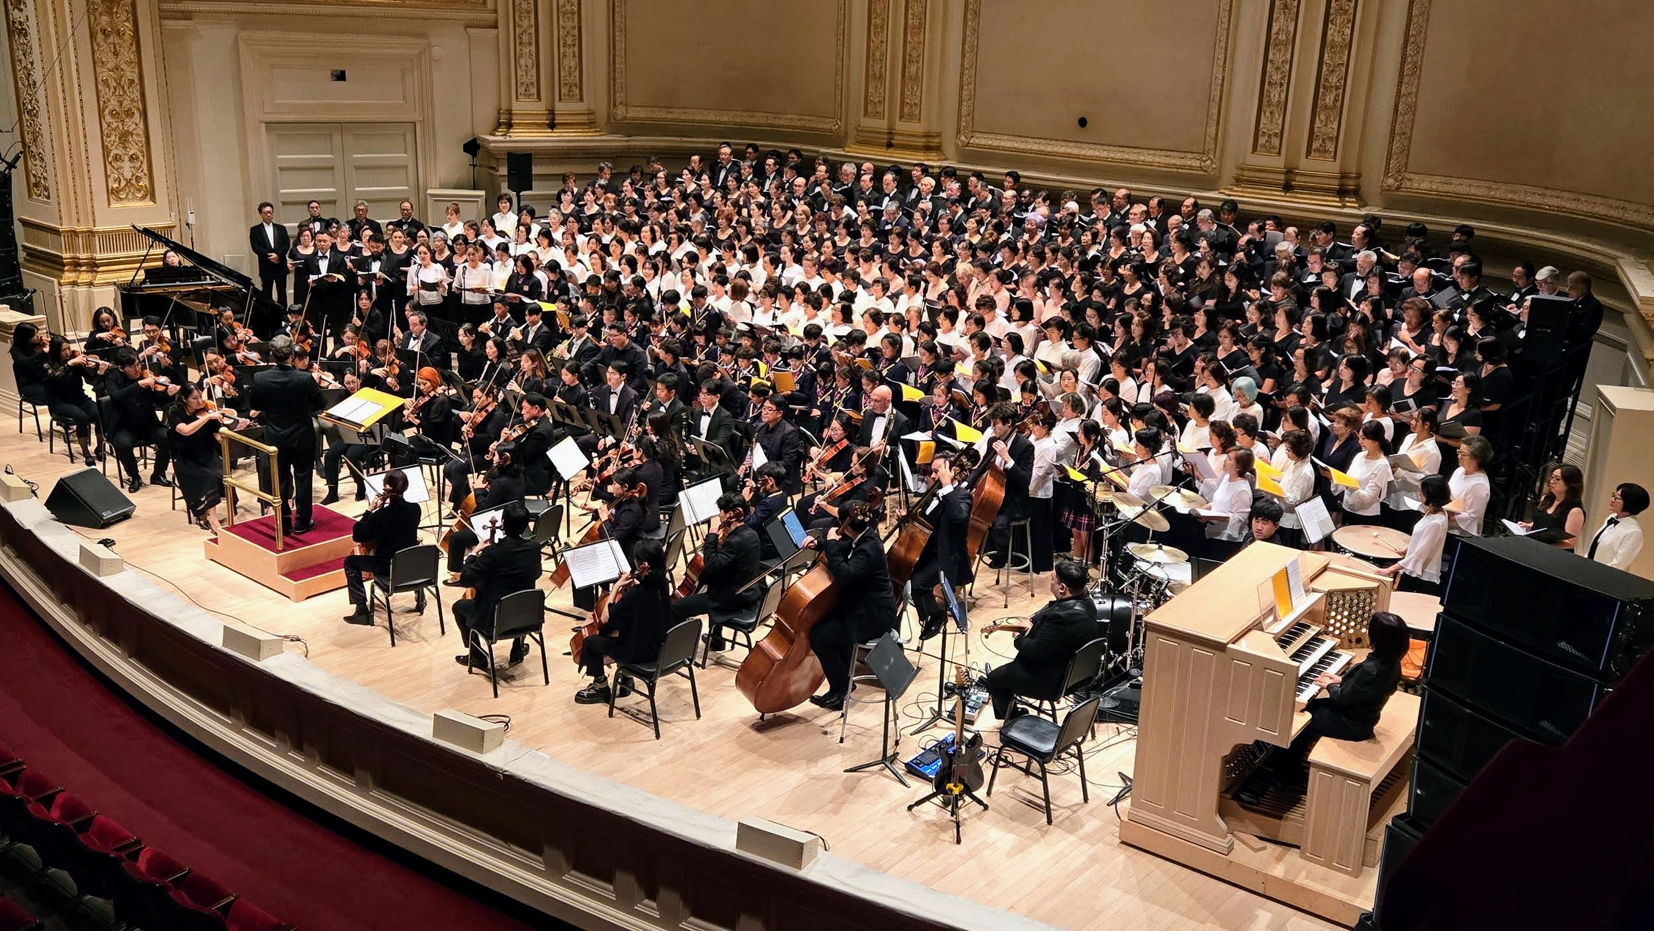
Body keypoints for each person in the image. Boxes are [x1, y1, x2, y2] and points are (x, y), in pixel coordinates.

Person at [1237, 611, 1407, 803]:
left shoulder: (1372, 669)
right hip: (1361, 715)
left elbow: (1342, 698)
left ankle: (1283, 775)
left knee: (1295, 720)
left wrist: (1332, 686)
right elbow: (1365, 688)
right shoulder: (1391, 662)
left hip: (1351, 723)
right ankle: (1289, 768)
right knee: (1307, 709)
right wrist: (1342, 680)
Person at [802, 502, 895, 711]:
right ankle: (845, 682)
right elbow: (845, 546)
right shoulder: (865, 535)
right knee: (829, 626)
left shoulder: (869, 549)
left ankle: (839, 689)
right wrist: (819, 544)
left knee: (820, 637)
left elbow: (845, 575)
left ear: (845, 525)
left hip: (873, 616)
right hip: (860, 606)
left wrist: (832, 544)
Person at [982, 558, 1099, 722]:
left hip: (1050, 680)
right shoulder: (1087, 602)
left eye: (1052, 579)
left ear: (1063, 588)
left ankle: (1012, 717)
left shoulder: (1059, 618)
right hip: (1075, 674)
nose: (1049, 582)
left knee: (994, 679)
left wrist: (1018, 637)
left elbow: (1034, 651)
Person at [573, 537, 672, 705]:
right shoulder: (663, 584)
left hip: (637, 653)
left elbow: (606, 617)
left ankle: (600, 687)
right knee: (628, 628)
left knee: (590, 642)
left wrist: (616, 587)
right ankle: (626, 680)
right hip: (658, 648)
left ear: (643, 566)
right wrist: (635, 582)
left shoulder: (636, 594)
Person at [452, 502, 542, 668]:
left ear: (503, 524)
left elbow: (466, 578)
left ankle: (477, 656)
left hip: (496, 620)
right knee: (521, 597)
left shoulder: (493, 552)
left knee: (458, 607)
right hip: (528, 616)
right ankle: (517, 649)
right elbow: (537, 574)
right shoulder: (534, 548)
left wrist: (473, 553)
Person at [249, 337, 324, 534]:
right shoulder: (304, 378)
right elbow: (321, 403)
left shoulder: (261, 378)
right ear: (292, 355)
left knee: (281, 479)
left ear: (272, 355)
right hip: (302, 435)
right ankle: (302, 521)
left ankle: (282, 522)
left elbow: (256, 406)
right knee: (303, 478)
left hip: (276, 436)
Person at [671, 494, 762, 653]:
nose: (719, 515)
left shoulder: (735, 541)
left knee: (677, 607)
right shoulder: (751, 534)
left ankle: (678, 649)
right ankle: (716, 639)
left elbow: (712, 566)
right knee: (714, 581)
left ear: (731, 514)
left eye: (721, 511)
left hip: (730, 599)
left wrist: (711, 537)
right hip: (748, 593)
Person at [342, 469, 423, 626]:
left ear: (386, 488)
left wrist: (369, 510)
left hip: (387, 566)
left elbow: (358, 535)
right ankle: (420, 598)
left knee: (350, 562)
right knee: (410, 551)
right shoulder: (415, 509)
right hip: (410, 566)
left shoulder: (380, 516)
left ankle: (362, 611)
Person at [911, 449, 977, 640]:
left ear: (951, 471)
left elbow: (959, 517)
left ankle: (936, 616)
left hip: (947, 555)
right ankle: (925, 616)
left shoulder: (962, 495)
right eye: (932, 471)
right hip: (927, 551)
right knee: (906, 575)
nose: (932, 475)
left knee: (919, 583)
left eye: (937, 471)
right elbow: (925, 519)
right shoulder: (933, 492)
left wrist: (947, 485)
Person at [167, 384, 247, 534]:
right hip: (185, 458)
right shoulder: (175, 414)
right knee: (207, 476)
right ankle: (212, 518)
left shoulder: (206, 414)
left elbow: (219, 439)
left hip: (206, 454)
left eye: (200, 397)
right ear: (184, 399)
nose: (200, 402)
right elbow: (185, 431)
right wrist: (209, 417)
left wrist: (237, 430)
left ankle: (210, 513)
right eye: (194, 399)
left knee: (222, 474)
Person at [103, 348, 177, 493]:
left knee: (169, 437)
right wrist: (138, 385)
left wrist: (169, 395)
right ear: (121, 368)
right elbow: (116, 396)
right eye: (132, 367)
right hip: (123, 426)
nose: (137, 369)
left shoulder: (145, 376)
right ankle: (134, 476)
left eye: (138, 365)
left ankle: (158, 474)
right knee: (123, 444)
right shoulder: (112, 378)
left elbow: (160, 402)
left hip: (147, 424)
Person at [1382, 475, 1450, 595]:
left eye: (1422, 492)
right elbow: (1425, 542)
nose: (1420, 494)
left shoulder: (1436, 522)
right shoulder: (1433, 511)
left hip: (1421, 579)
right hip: (1414, 573)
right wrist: (1408, 550)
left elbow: (1419, 556)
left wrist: (1390, 569)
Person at [1520, 463, 1585, 550]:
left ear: (1570, 485)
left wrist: (1542, 546)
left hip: (1553, 555)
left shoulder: (1575, 511)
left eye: (1557, 479)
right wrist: (1528, 526)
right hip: (1533, 548)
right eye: (1552, 477)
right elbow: (1543, 522)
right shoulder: (1546, 499)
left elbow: (1570, 543)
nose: (1551, 481)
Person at [1587, 483, 1647, 569]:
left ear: (1629, 503)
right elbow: (1594, 547)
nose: (1612, 499)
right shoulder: (1611, 518)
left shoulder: (1634, 532)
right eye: (1614, 495)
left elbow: (1618, 565)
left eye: (1617, 498)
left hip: (1604, 576)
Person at [250, 201, 291, 306]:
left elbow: (286, 244)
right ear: (260, 214)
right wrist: (270, 256)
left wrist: (278, 255)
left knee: (282, 292)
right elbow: (255, 247)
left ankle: (283, 315)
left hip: (280, 264)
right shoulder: (255, 230)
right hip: (266, 266)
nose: (268, 215)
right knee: (266, 292)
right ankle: (268, 315)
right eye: (265, 213)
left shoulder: (281, 228)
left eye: (270, 212)